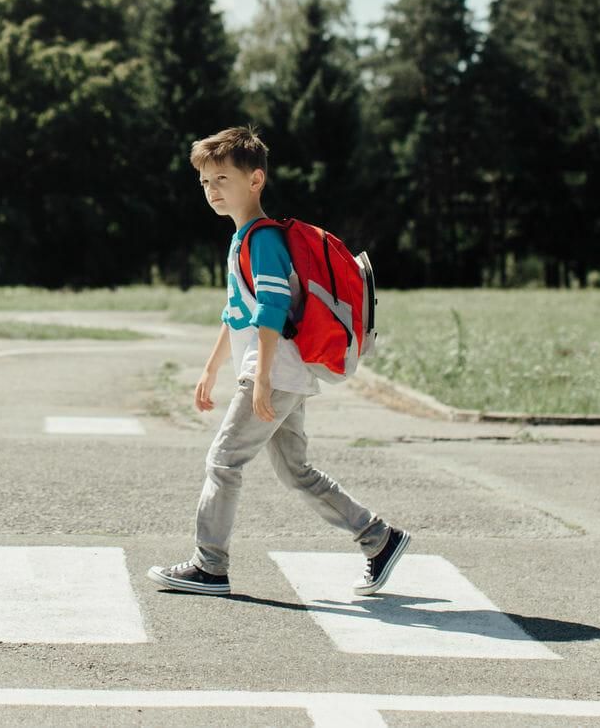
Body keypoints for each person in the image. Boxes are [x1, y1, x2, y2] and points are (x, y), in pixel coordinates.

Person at [147, 126, 409, 597]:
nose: (212, 191)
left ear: (256, 180)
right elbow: (236, 313)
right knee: (295, 470)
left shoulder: (262, 240)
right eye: (205, 182)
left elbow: (269, 309)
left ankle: (210, 567)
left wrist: (261, 378)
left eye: (222, 179)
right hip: (281, 374)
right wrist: (210, 368)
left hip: (275, 373)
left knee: (224, 461)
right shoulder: (242, 240)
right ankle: (380, 539)